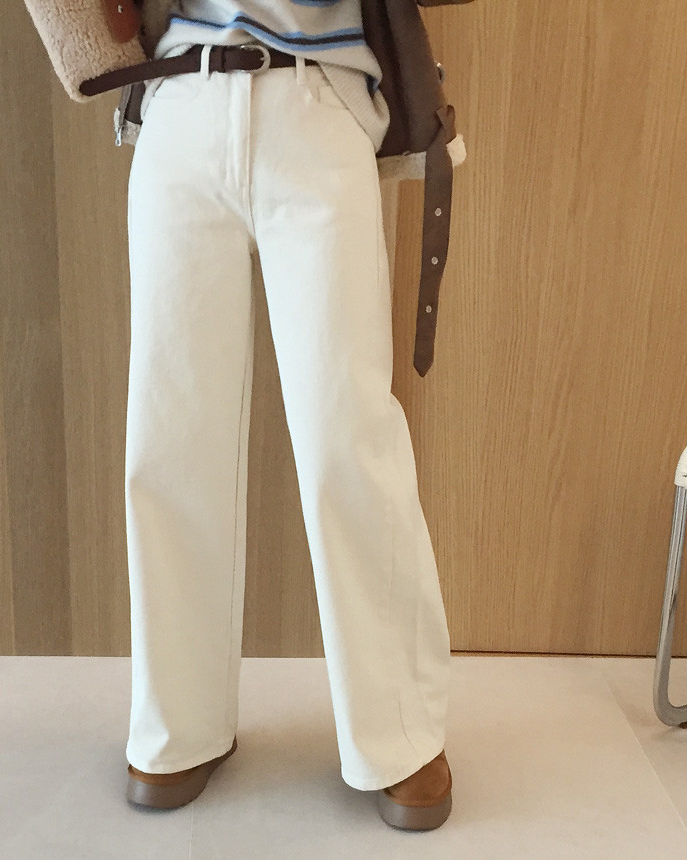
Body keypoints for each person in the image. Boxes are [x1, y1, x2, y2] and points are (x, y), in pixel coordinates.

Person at [122, 0, 454, 830]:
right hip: (180, 95)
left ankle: (398, 731)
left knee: (347, 431)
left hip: (319, 92)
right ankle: (178, 723)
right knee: (168, 436)